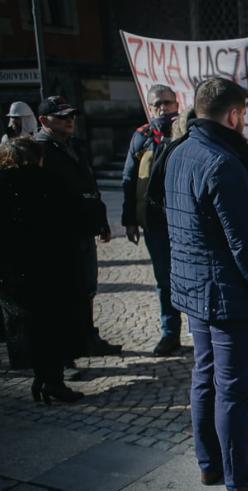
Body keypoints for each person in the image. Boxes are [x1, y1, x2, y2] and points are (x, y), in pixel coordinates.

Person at [163, 77, 248, 491]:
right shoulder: (222, 162)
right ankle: (239, 479)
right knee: (232, 388)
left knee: (205, 379)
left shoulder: (179, 152)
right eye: (243, 114)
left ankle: (211, 464)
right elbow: (246, 243)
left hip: (194, 288)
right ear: (234, 114)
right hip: (228, 295)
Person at [34, 96, 121, 358]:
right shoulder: (39, 150)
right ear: (43, 121)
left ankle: (87, 339)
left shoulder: (74, 146)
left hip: (82, 231)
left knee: (86, 288)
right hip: (58, 235)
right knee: (63, 294)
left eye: (71, 116)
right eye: (61, 117)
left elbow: (88, 186)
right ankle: (65, 354)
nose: (69, 120)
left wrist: (101, 221)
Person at [0, 136, 84, 403]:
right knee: (52, 324)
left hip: (14, 271)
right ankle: (53, 381)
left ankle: (41, 378)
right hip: (50, 268)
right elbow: (72, 222)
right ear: (39, 157)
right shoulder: (50, 181)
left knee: (31, 325)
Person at [121, 84, 182, 357]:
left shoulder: (187, 131)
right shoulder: (142, 137)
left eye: (167, 103)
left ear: (176, 104)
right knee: (164, 278)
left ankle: (204, 332)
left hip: (185, 219)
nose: (162, 109)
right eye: (157, 104)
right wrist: (130, 220)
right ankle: (171, 333)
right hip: (156, 221)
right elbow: (129, 178)